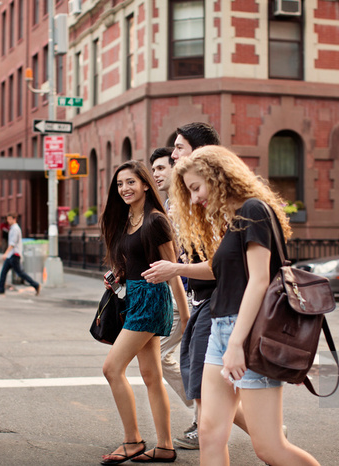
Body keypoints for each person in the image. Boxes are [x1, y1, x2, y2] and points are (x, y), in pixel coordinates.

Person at [170, 146, 318, 465]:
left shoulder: (254, 210)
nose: (194, 199)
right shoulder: (232, 220)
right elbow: (223, 272)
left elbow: (259, 281)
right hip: (220, 328)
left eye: (196, 188)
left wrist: (236, 343)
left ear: (218, 177)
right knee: (210, 433)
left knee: (269, 447)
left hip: (248, 334)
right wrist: (178, 268)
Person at [143, 122, 250, 451]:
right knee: (205, 381)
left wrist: (176, 269)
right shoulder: (190, 201)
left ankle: (253, 429)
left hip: (219, 305)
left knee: (203, 378)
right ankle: (251, 429)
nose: (173, 155)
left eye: (178, 148)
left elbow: (228, 268)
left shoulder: (230, 207)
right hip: (203, 300)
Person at [99, 160, 189, 464]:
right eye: (120, 184)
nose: (124, 188)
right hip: (134, 297)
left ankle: (132, 440)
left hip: (152, 299)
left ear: (146, 185)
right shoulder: (127, 220)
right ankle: (164, 446)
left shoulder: (155, 221)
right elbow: (132, 261)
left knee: (112, 368)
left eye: (131, 183)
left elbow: (172, 269)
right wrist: (117, 274)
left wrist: (186, 315)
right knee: (152, 375)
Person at [150, 147, 195, 411]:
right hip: (177, 291)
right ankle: (205, 411)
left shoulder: (189, 202)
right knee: (158, 356)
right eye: (153, 169)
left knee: (203, 364)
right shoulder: (167, 205)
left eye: (161, 168)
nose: (155, 174)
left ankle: (207, 415)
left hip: (191, 293)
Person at [0, 213, 40, 296]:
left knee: (20, 273)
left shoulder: (15, 229)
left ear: (14, 219)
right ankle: (1, 289)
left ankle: (36, 285)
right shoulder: (12, 228)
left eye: (9, 219)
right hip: (11, 255)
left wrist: (5, 253)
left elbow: (13, 243)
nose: (8, 221)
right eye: (7, 219)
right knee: (3, 272)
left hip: (14, 255)